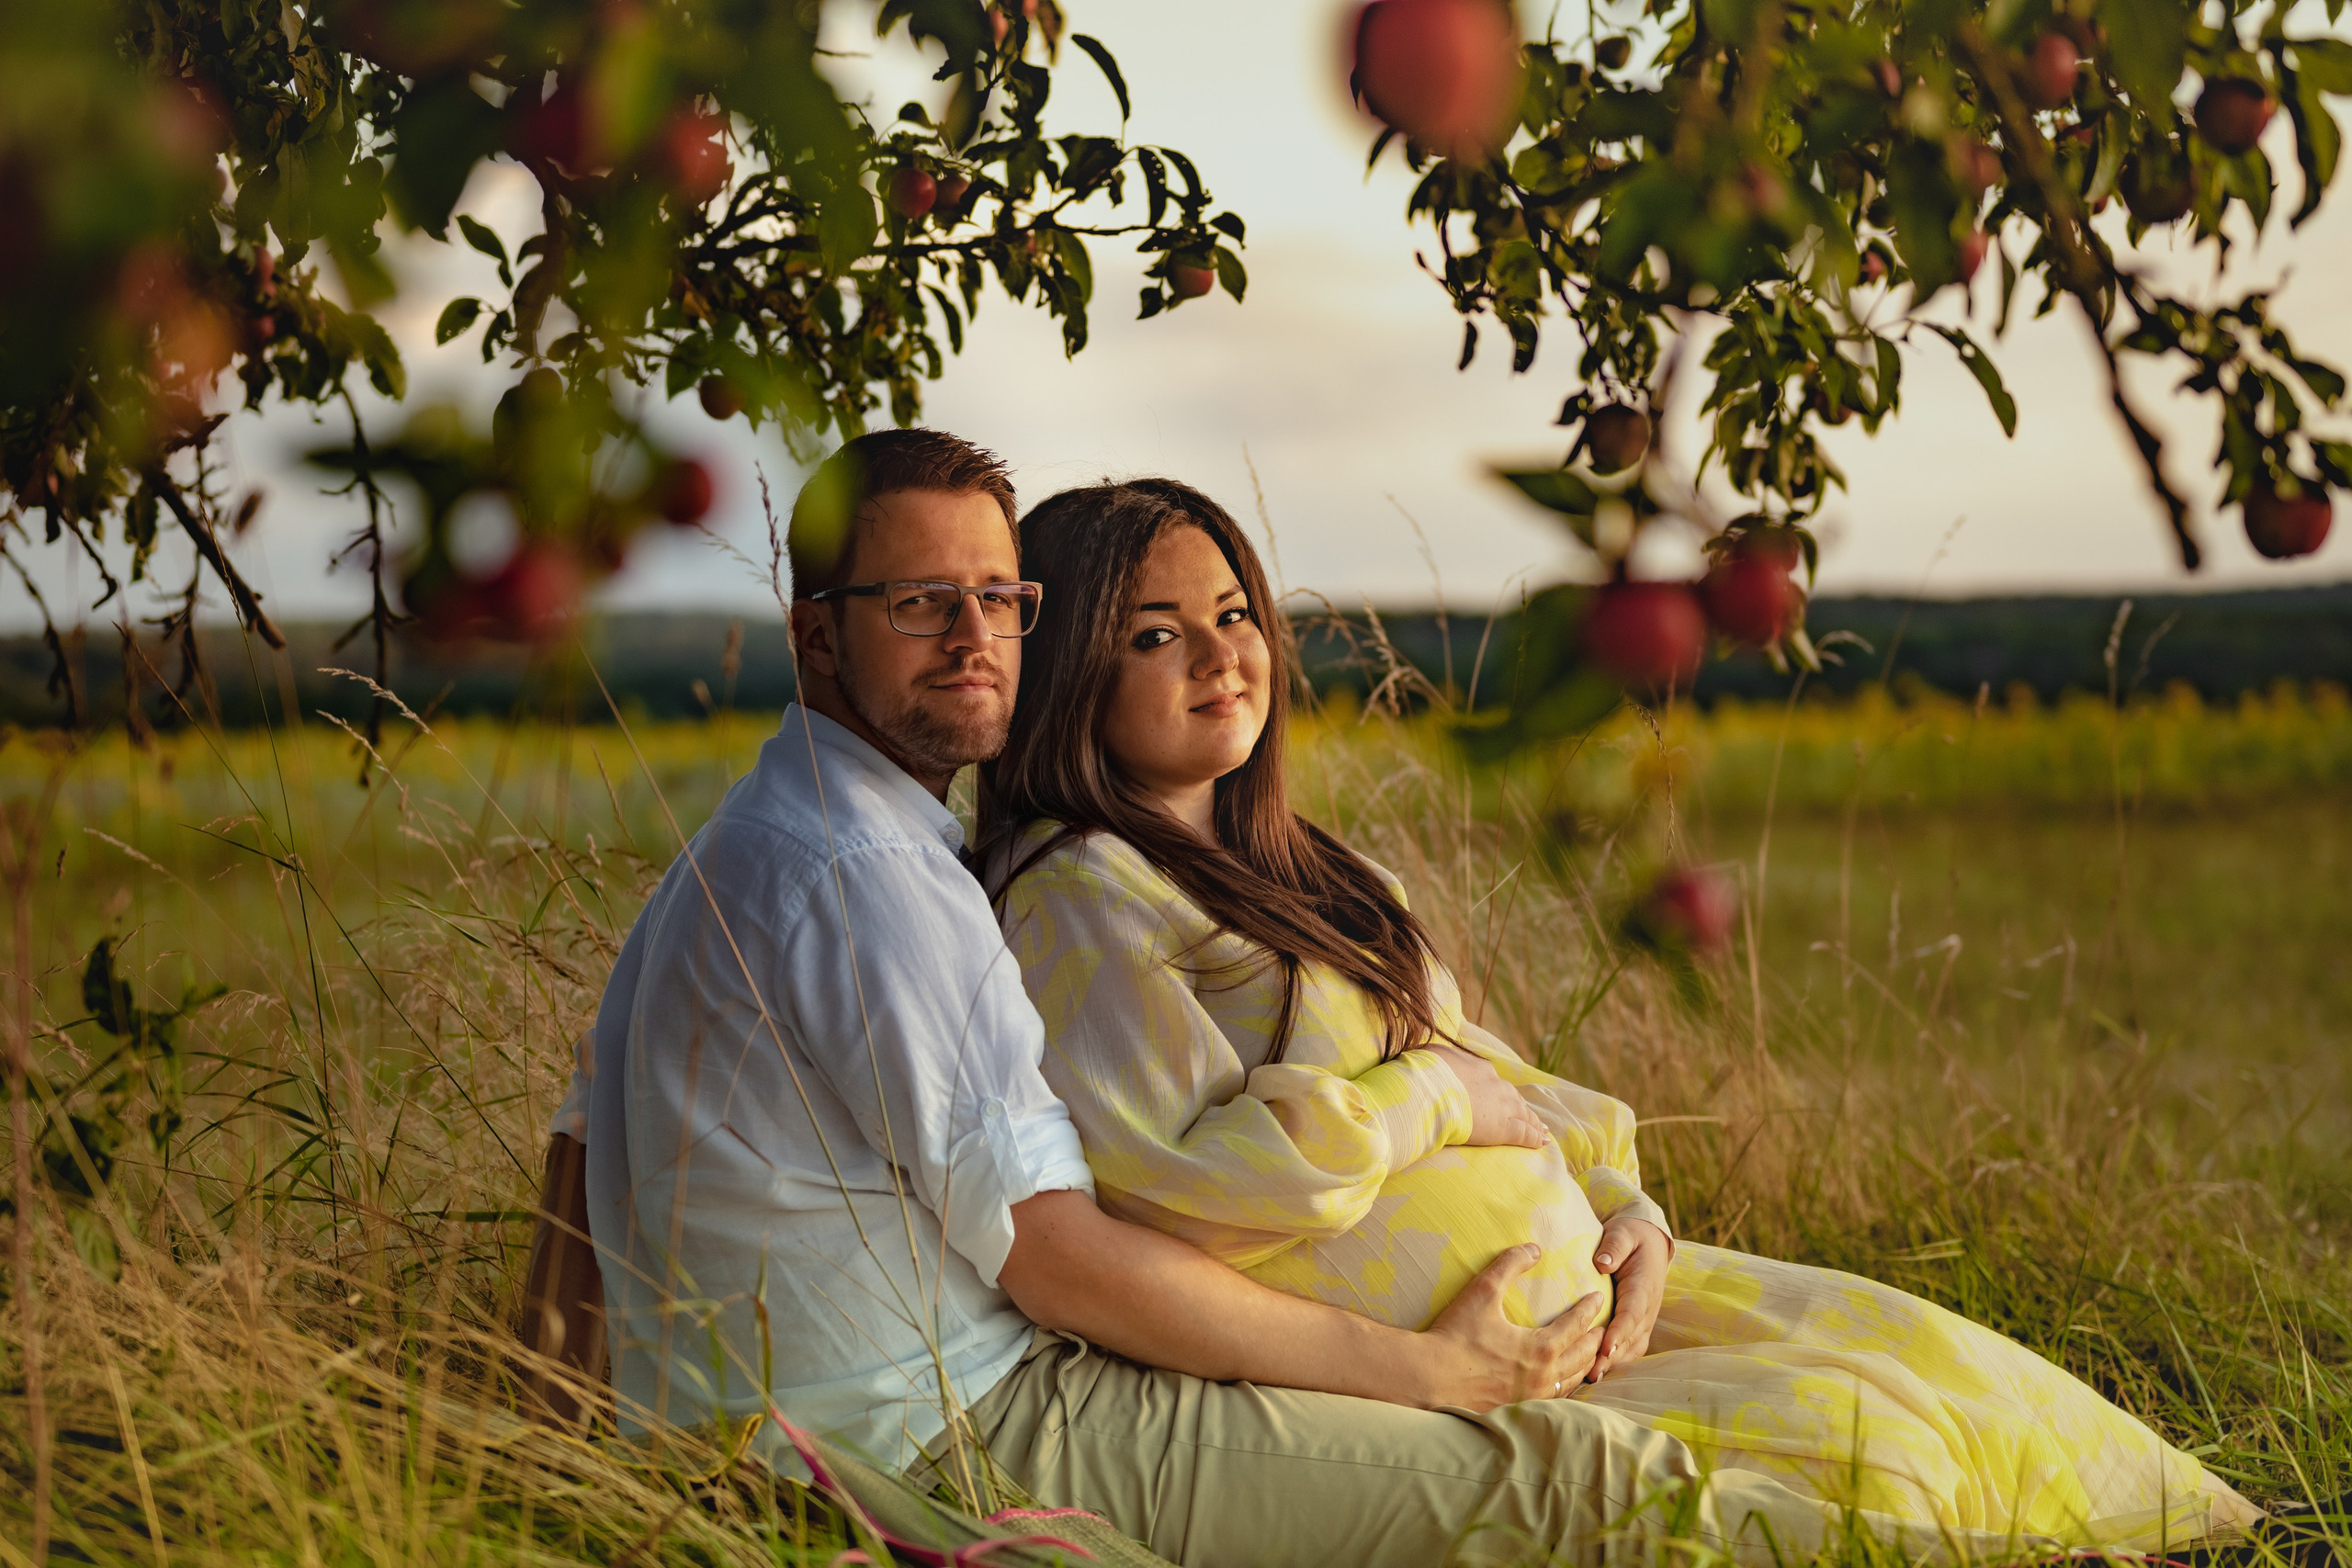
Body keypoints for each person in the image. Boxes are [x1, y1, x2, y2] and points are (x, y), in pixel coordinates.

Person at [546, 428, 2036, 1568]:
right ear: (820, 634)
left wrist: (551, 1433)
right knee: (1584, 1491)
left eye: (998, 596)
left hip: (863, 1410)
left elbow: (573, 1160)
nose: (974, 636)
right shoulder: (871, 877)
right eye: (922, 602)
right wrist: (1425, 1371)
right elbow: (1065, 1261)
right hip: (943, 1430)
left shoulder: (778, 838)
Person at [977, 476, 2262, 1553]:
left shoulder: (1311, 861)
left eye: (1234, 612)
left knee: (1912, 1360)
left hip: (1574, 1312)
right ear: (1069, 672)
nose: (1219, 654)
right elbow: (1181, 1188)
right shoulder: (1082, 896)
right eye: (1154, 635)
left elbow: (1488, 1069)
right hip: (1412, 1367)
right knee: (1859, 1466)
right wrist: (1422, 1104)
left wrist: (1622, 1207)